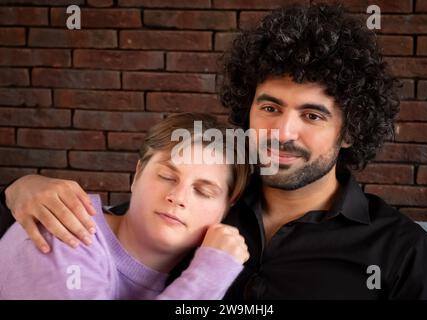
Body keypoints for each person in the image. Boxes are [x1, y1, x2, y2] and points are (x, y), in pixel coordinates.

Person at [1, 3, 427, 299]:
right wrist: (23, 187)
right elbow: (104, 230)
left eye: (312, 116)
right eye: (270, 107)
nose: (282, 132)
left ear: (349, 132)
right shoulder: (204, 202)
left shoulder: (402, 252)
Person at [0, 113, 251, 299]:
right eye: (166, 176)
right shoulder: (66, 229)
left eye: (202, 191)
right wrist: (210, 274)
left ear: (226, 208)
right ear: (138, 172)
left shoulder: (188, 274)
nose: (178, 197)